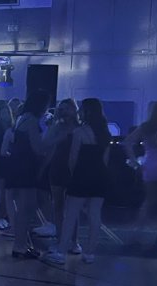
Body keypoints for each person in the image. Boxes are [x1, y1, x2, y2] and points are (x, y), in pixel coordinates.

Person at [45, 98, 111, 265]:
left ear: (87, 112)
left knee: (71, 214)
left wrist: (75, 174)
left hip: (82, 175)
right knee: (95, 215)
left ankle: (61, 251)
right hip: (100, 176)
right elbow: (106, 159)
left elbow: (73, 158)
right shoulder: (105, 133)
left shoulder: (80, 132)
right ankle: (89, 252)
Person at [3, 88, 50, 259]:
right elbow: (38, 148)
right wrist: (54, 138)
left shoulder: (23, 118)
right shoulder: (32, 121)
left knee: (24, 208)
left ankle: (21, 244)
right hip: (26, 168)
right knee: (27, 208)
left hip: (17, 166)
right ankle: (20, 246)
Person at [123, 101, 157, 247]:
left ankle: (134, 233)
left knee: (149, 201)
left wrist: (135, 163)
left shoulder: (145, 126)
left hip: (149, 165)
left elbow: (127, 142)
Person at [44, 99, 82, 255]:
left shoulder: (79, 128)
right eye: (62, 108)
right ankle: (61, 240)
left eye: (67, 108)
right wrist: (55, 125)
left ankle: (74, 241)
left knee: (73, 207)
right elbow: (45, 143)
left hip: (74, 169)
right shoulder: (56, 127)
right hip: (58, 167)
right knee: (58, 205)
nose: (64, 111)